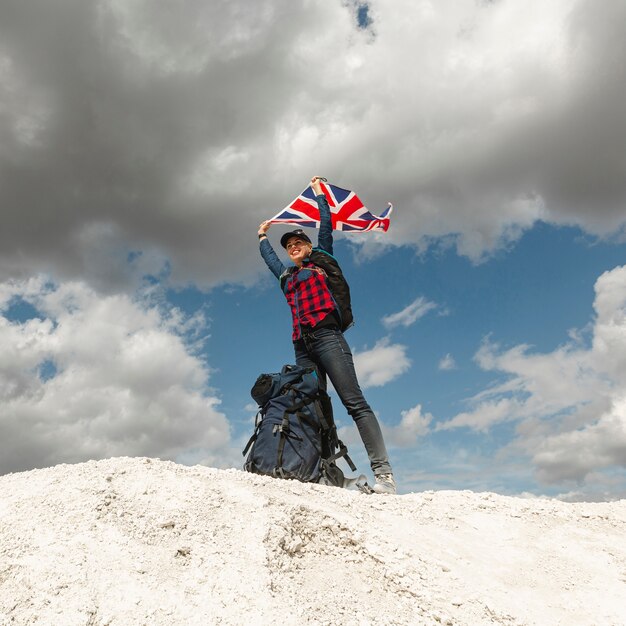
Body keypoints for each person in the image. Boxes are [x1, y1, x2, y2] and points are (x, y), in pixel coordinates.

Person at [257, 176, 396, 494]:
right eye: (289, 246)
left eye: (298, 244)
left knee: (353, 402)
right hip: (302, 347)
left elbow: (325, 226)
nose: (293, 248)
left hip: (328, 338)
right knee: (315, 409)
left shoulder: (320, 262)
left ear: (307, 247)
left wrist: (320, 196)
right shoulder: (286, 276)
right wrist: (263, 236)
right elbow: (270, 261)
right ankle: (325, 472)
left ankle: (384, 474)